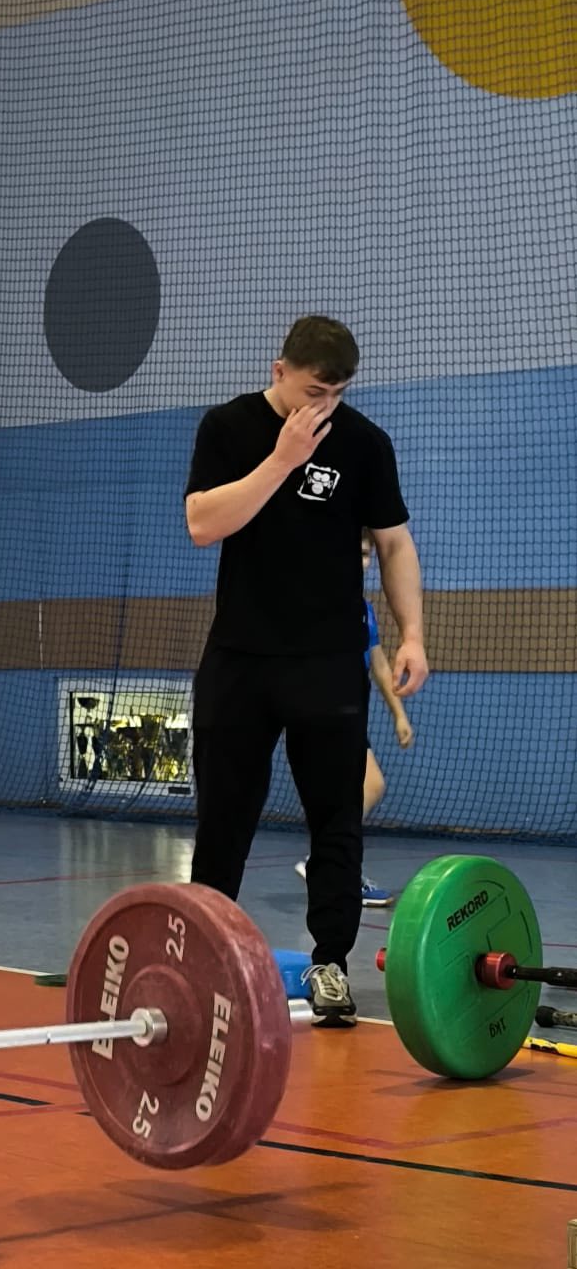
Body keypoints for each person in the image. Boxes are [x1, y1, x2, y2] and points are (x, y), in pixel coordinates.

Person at [184, 316, 428, 1028]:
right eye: (314, 391)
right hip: (241, 661)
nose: (325, 406)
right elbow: (202, 524)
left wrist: (413, 635)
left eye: (337, 393)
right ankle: (202, 959)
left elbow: (394, 544)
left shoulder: (364, 443)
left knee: (337, 819)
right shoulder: (227, 427)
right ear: (280, 370)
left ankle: (331, 965)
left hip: (328, 664)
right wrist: (283, 459)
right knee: (224, 819)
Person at [296, 529, 416, 907]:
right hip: (322, 715)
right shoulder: (314, 603)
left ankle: (332, 865)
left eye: (366, 554)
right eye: (354, 552)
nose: (360, 561)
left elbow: (378, 665)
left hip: (350, 718)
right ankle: (331, 864)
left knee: (362, 790)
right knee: (365, 788)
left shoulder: (364, 610)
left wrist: (399, 715)